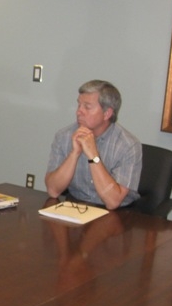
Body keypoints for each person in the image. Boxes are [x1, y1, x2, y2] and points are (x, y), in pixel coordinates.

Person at [45, 80, 141, 210]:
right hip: (75, 207)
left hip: (118, 214)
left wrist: (93, 155)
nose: (79, 111)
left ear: (107, 114)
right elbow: (53, 191)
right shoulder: (64, 136)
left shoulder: (128, 145)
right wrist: (74, 154)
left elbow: (113, 202)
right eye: (79, 105)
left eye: (87, 107)